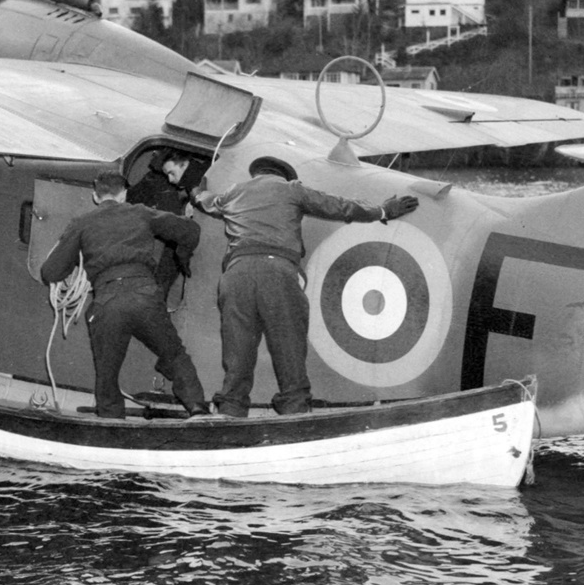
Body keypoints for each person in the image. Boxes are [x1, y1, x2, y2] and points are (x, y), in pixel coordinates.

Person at [192, 156, 419, 417]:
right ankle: (295, 412)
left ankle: (230, 413)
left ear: (256, 174)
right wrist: (382, 211)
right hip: (277, 273)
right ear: (285, 176)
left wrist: (197, 191)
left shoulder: (233, 192)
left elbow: (205, 200)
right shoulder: (292, 189)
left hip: (236, 275)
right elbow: (338, 206)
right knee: (289, 350)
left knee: (237, 353)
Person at [41, 169, 210, 419]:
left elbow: (51, 272)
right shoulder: (140, 211)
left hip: (107, 300)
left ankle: (112, 425)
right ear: (124, 194)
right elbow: (191, 233)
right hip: (145, 295)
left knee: (107, 373)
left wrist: (82, 260)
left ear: (95, 197)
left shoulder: (81, 223)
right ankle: (198, 409)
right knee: (175, 355)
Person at [126, 149, 200, 298]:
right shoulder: (184, 182)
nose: (171, 180)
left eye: (172, 173)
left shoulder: (198, 183)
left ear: (185, 165)